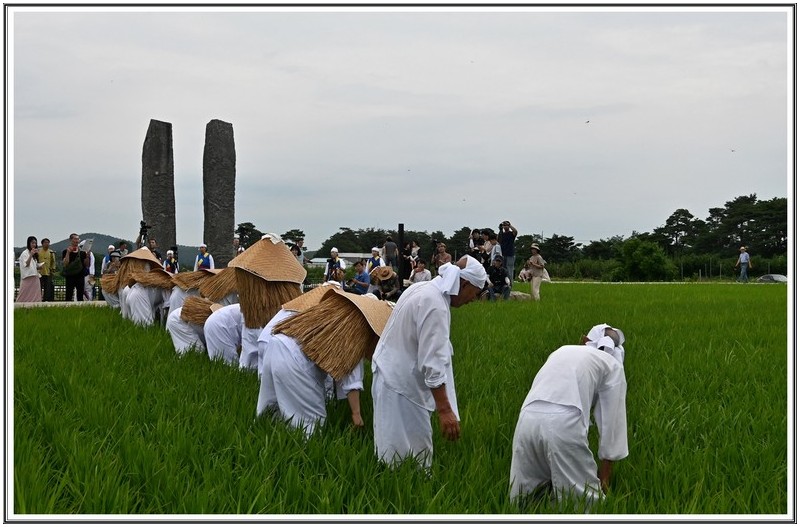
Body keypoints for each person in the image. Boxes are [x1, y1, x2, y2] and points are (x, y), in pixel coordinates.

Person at [371, 255, 487, 469]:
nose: (473, 299)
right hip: (401, 388)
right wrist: (445, 410)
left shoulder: (424, 289)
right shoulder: (435, 305)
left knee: (393, 455)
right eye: (476, 293)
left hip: (391, 379)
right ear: (464, 283)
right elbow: (432, 362)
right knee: (411, 462)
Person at [509, 324, 628, 510]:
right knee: (586, 507)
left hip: (527, 419)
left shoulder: (562, 350)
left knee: (526, 502)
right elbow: (612, 421)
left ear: (585, 341)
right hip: (564, 423)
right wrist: (604, 478)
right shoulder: (612, 364)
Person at [260, 288, 393, 437]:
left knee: (270, 410)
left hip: (276, 344)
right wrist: (356, 415)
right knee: (311, 425)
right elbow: (352, 380)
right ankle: (303, 456)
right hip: (295, 360)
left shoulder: (335, 312)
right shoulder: (355, 331)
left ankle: (260, 438)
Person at [61, 233, 89, 302]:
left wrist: (87, 255)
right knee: (69, 294)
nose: (77, 241)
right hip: (70, 275)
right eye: (75, 239)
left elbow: (86, 264)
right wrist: (68, 253)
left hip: (80, 275)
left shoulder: (82, 252)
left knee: (80, 294)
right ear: (70, 240)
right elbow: (65, 263)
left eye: (78, 239)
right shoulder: (65, 251)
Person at [17, 236, 44, 302]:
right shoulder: (25, 253)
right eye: (32, 243)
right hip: (27, 276)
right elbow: (26, 264)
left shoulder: (34, 253)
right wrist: (31, 255)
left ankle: (35, 305)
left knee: (35, 293)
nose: (34, 245)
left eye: (35, 243)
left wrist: (39, 266)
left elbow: (34, 265)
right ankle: (20, 304)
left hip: (35, 275)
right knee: (24, 292)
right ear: (29, 243)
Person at [38, 237, 56, 302]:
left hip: (48, 272)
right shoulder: (38, 251)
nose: (47, 244)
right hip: (39, 272)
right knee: (39, 286)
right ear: (42, 244)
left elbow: (53, 262)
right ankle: (38, 298)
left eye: (48, 243)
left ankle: (46, 299)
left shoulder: (51, 252)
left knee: (47, 286)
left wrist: (53, 270)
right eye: (45, 242)